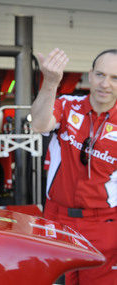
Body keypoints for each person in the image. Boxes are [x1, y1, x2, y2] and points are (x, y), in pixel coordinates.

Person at [31, 48, 117, 284]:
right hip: (57, 220)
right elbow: (39, 124)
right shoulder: (68, 105)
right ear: (90, 75)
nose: (105, 84)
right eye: (100, 74)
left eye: (114, 78)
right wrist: (50, 82)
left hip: (104, 224)